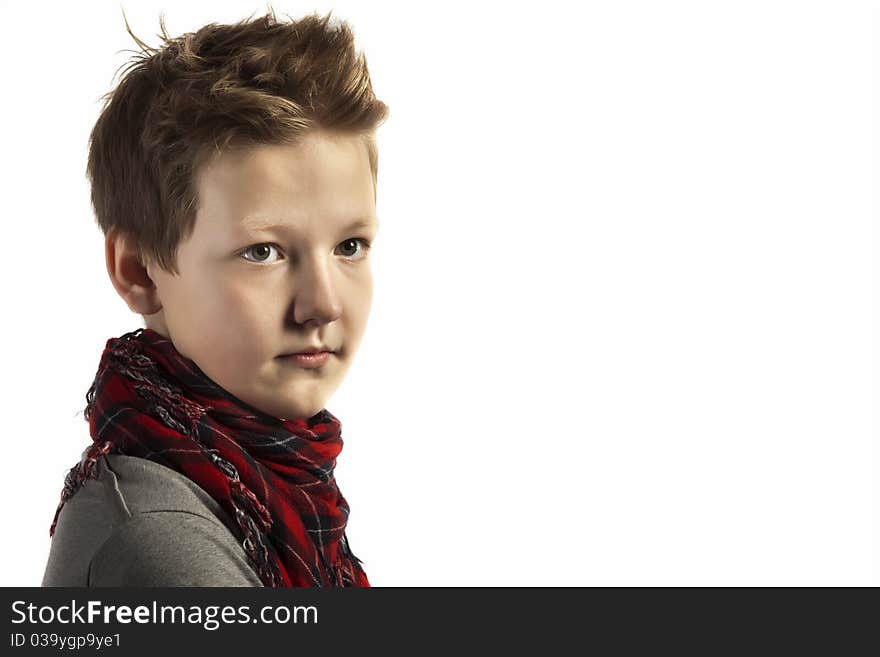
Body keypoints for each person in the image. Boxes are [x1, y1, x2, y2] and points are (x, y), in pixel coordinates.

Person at [41, 8, 389, 587]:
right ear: (140, 272)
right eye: (263, 252)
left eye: (349, 245)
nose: (322, 305)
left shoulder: (274, 492)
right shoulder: (162, 541)